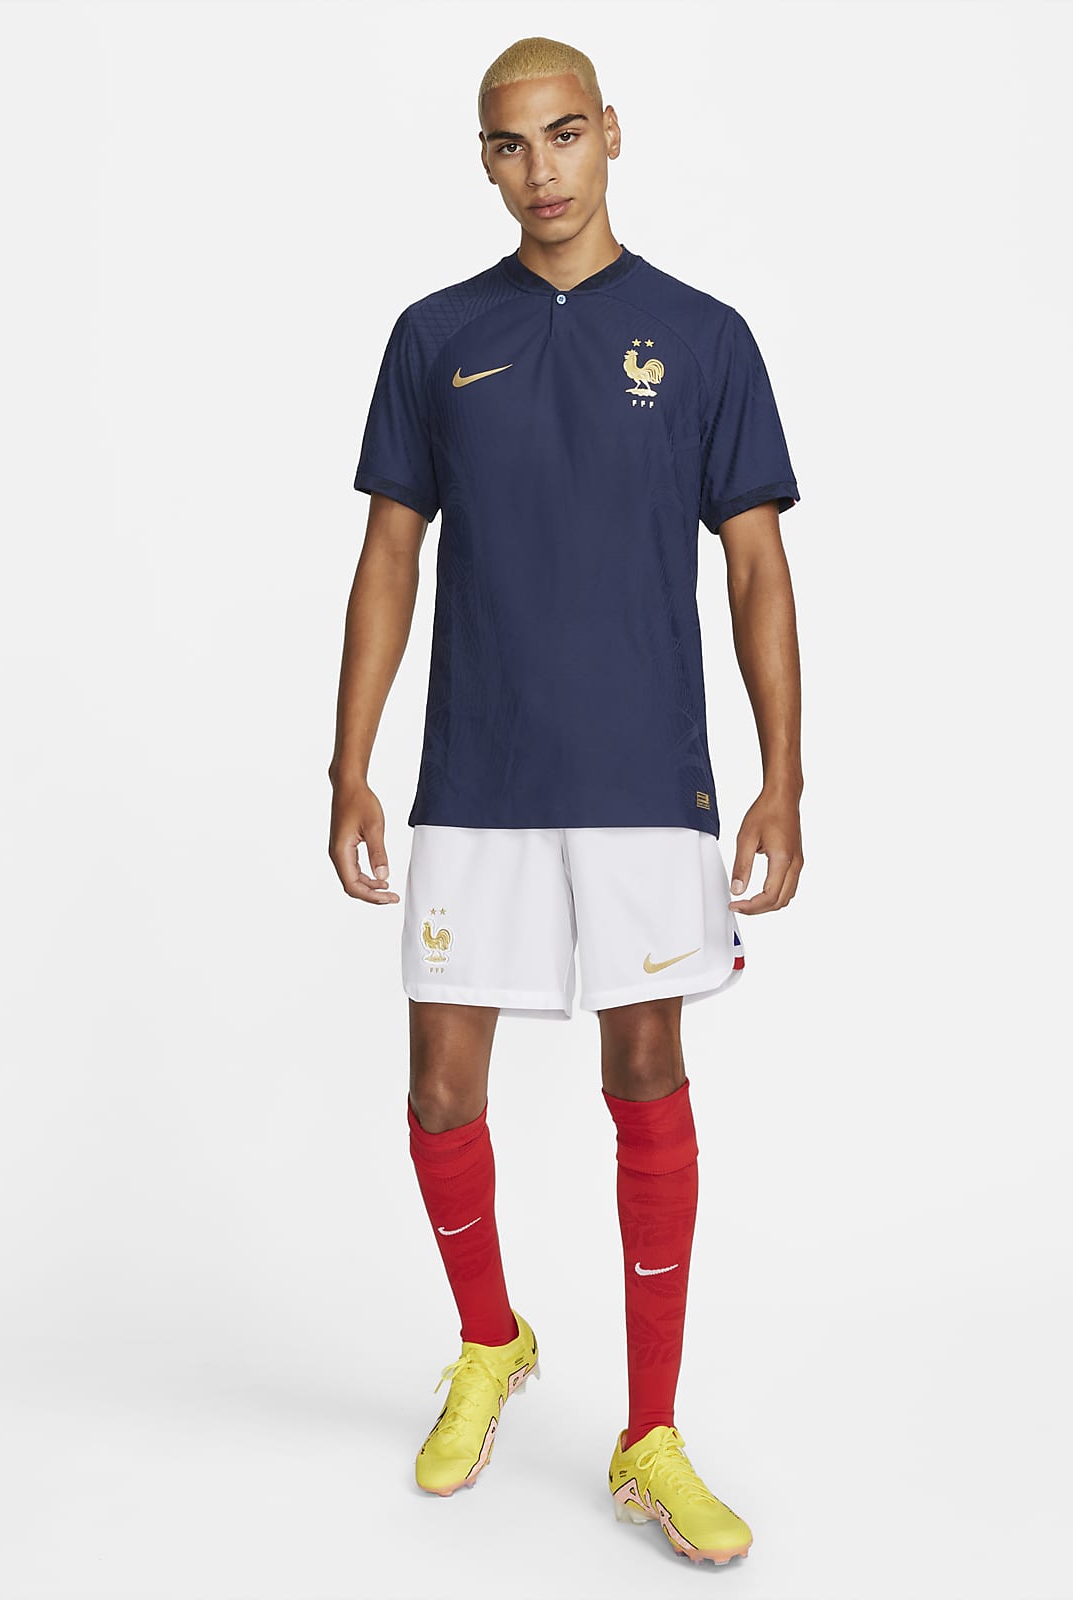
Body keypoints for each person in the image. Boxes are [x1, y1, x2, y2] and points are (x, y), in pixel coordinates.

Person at [328, 33, 803, 1568]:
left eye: (565, 134)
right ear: (484, 160)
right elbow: (390, 556)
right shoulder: (434, 336)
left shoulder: (705, 338)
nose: (541, 170)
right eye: (509, 143)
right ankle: (492, 1340)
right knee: (438, 1088)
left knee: (646, 1072)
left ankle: (649, 1434)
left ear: (612, 133)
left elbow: (756, 566)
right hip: (477, 775)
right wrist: (349, 762)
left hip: (646, 779)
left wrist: (784, 776)